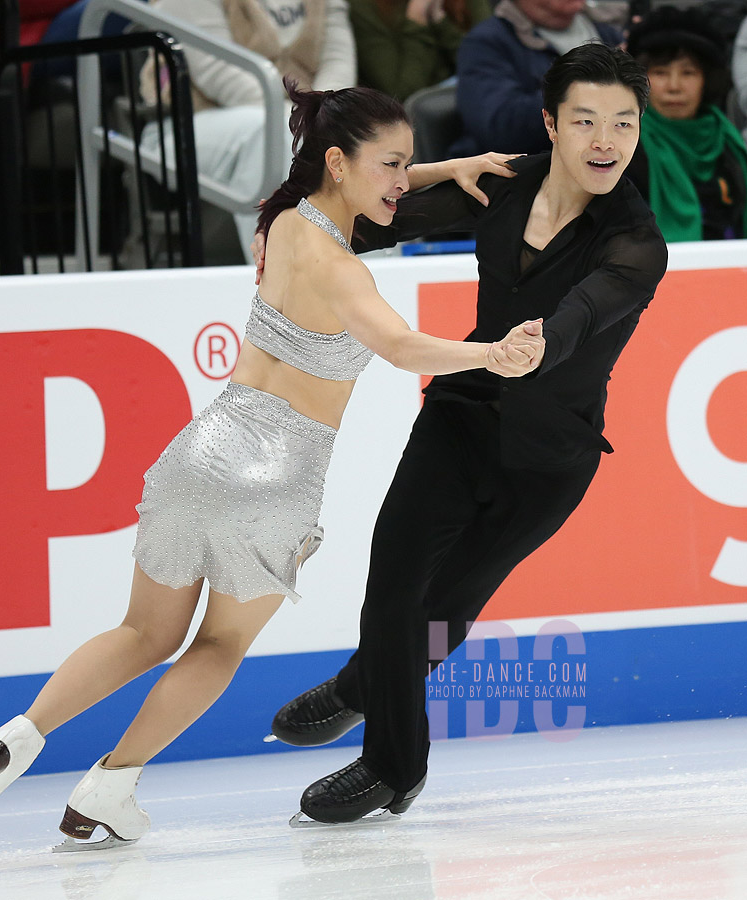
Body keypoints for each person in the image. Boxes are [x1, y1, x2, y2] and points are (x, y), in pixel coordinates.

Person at [0, 81, 542, 848]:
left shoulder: (286, 223)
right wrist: (492, 354)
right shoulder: (345, 272)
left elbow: (357, 191)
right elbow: (400, 348)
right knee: (217, 648)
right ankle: (109, 786)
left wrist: (439, 168)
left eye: (406, 166)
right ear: (339, 160)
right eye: (392, 165)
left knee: (140, 633)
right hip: (275, 483)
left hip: (202, 451)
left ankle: (14, 739)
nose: (401, 181)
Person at [261, 43, 668, 825]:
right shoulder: (500, 184)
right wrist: (434, 175)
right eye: (585, 120)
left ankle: (358, 687)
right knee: (392, 588)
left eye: (624, 122)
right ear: (551, 124)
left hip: (548, 460)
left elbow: (584, 313)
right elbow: (367, 221)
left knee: (442, 607)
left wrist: (540, 340)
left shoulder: (636, 241)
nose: (606, 140)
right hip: (461, 416)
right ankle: (393, 768)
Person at [139, 0, 357, 262]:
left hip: (304, 119)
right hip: (190, 122)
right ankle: (276, 278)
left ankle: (362, 276)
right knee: (273, 134)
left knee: (358, 135)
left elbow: (338, 60)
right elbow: (219, 72)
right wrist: (306, 120)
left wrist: (325, 115)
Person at [626, 5, 747, 241]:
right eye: (660, 73)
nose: (674, 87)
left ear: (707, 79)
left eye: (688, 73)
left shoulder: (728, 141)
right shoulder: (625, 147)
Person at [449, 0, 623, 156]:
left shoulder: (608, 31)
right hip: (521, 175)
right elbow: (499, 129)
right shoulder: (486, 44)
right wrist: (587, 88)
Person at [347, 0, 492, 102]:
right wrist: (417, 20)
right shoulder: (362, 7)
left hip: (478, 98)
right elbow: (402, 94)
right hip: (418, 121)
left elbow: (489, 64)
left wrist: (441, 22)